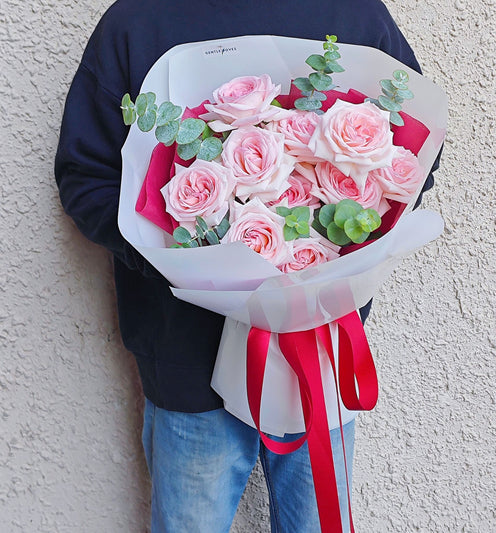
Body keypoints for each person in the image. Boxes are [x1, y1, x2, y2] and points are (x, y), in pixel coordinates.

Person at [55, 1, 437, 531]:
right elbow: (85, 177)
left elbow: (414, 158)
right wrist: (184, 256)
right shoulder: (138, 21)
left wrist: (338, 231)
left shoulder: (354, 14)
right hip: (187, 369)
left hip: (319, 360)